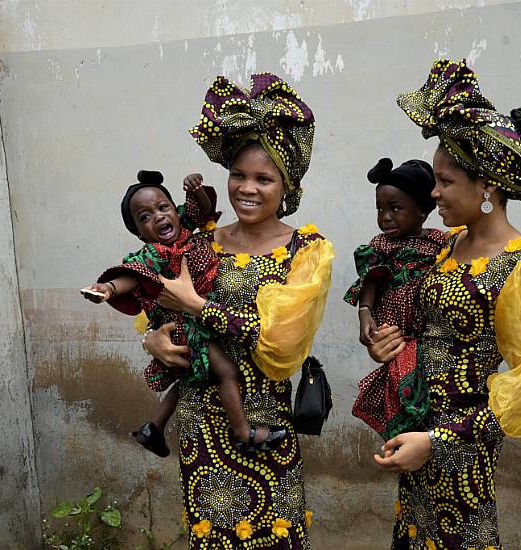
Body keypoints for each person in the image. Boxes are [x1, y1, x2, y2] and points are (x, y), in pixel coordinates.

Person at [366, 59, 521, 549]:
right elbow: (420, 328)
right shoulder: (445, 247)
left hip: (463, 452)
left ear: (487, 187)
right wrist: (388, 344)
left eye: (445, 180)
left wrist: (438, 442)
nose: (433, 192)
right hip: (414, 434)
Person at [143, 73, 334, 548]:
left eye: (263, 179)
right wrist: (155, 337)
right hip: (199, 421)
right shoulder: (201, 242)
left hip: (266, 420)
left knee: (276, 533)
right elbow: (160, 307)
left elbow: (281, 342)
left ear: (286, 184)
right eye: (238, 175)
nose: (247, 189)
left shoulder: (306, 250)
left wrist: (198, 305)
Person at [82, 170, 286, 457]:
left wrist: (196, 189)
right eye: (145, 217)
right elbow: (133, 277)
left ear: (175, 210)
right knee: (226, 372)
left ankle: (154, 427)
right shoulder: (153, 254)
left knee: (190, 378)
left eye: (163, 207)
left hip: (199, 319)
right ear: (138, 233)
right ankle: (243, 432)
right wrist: (109, 289)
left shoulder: (186, 229)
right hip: (186, 325)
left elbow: (202, 209)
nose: (158, 216)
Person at [344, 157, 445, 440]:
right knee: (401, 388)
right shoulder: (380, 245)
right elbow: (371, 279)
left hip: (426, 335)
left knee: (424, 393)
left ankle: (420, 439)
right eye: (380, 209)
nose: (385, 217)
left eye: (395, 208)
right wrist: (365, 311)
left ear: (423, 211)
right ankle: (404, 438)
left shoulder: (440, 243)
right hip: (396, 336)